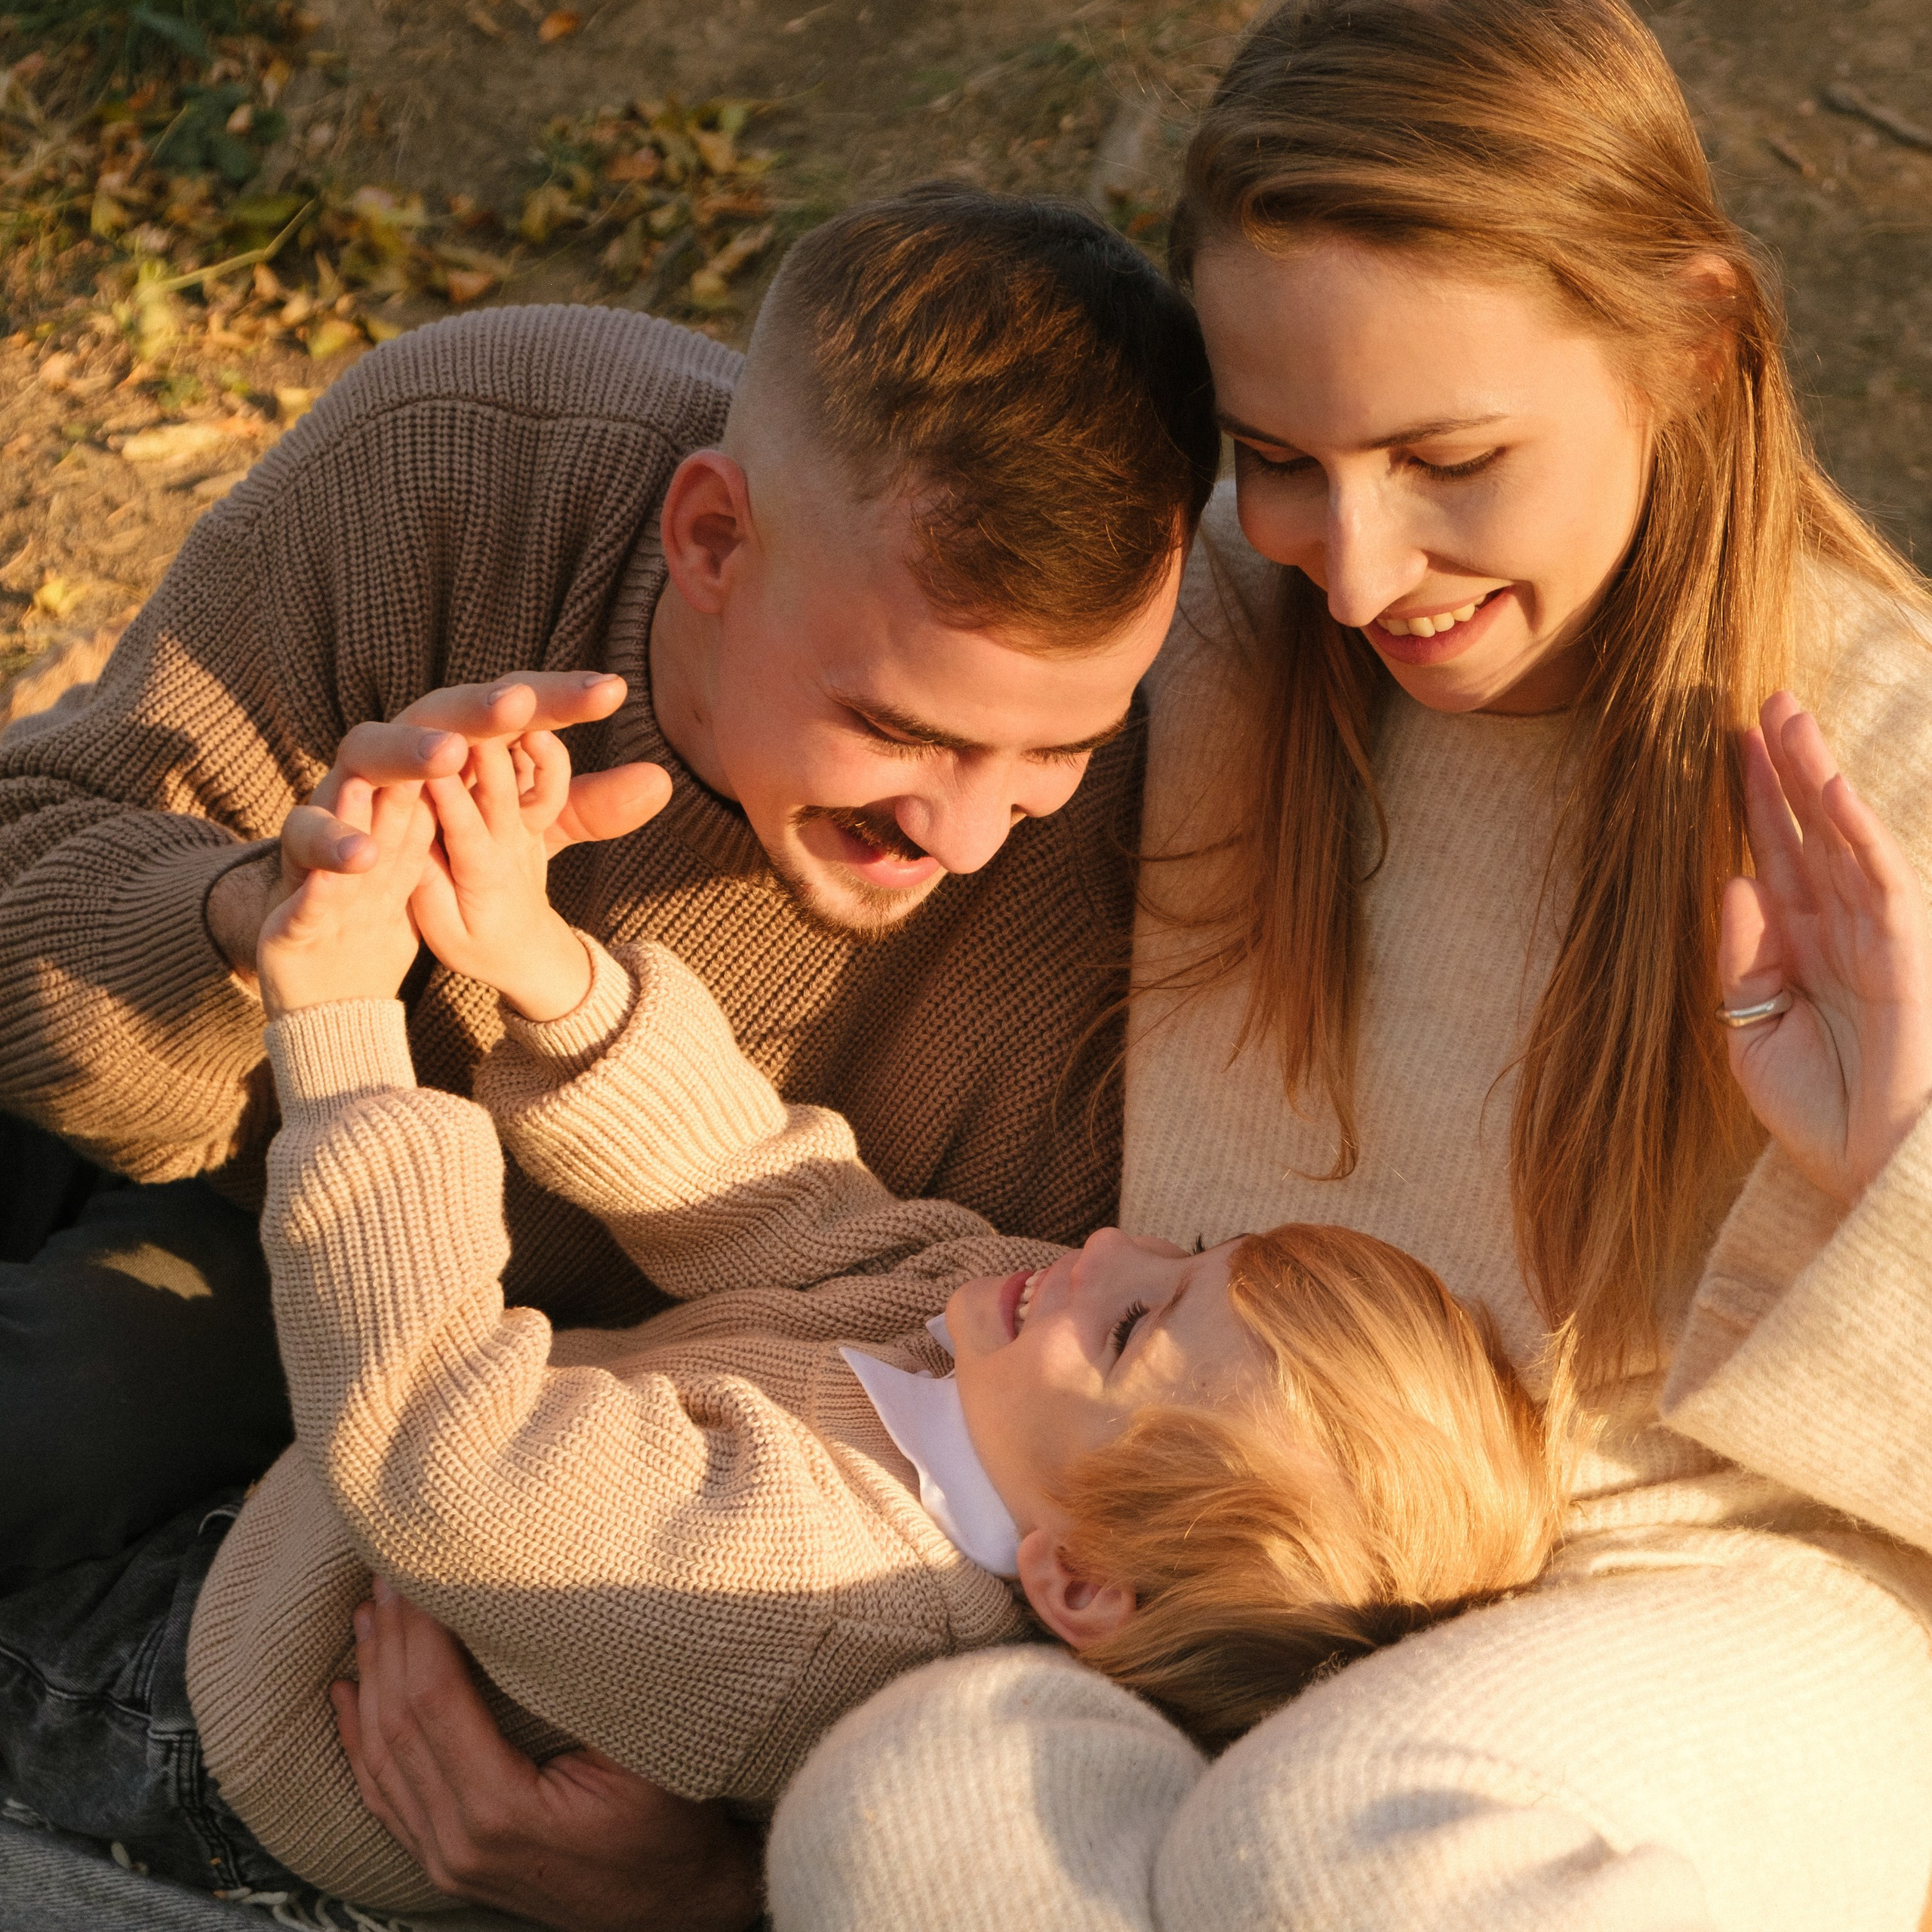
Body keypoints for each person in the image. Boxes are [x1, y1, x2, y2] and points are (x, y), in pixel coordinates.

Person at [754, 1, 1932, 1927]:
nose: (1360, 566)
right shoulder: (1231, 614)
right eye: (1279, 456)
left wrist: (1893, 1165)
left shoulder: (1880, 764)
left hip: (1712, 1614)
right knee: (910, 1792)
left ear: (1692, 339)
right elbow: (823, 515)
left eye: (1448, 456)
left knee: (1326, 1835)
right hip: (1230, 1571)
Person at [0, 727, 1568, 1913]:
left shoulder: (800, 1594)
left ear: (1078, 1579)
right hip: (316, 1544)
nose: (1105, 1249)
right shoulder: (1001, 1359)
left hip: (214, 1699)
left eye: (1134, 1327)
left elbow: (439, 1446)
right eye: (1189, 1252)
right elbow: (776, 1195)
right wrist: (539, 966)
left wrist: (342, 1028)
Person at [0, 183, 1217, 1598]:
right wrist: (255, 913)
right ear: (712, 541)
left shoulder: (1135, 875)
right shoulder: (462, 453)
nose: (967, 835)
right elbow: (30, 861)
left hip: (479, 1367)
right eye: (899, 729)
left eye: (1060, 748)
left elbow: (993, 1433)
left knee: (57, 1422)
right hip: (189, 1092)